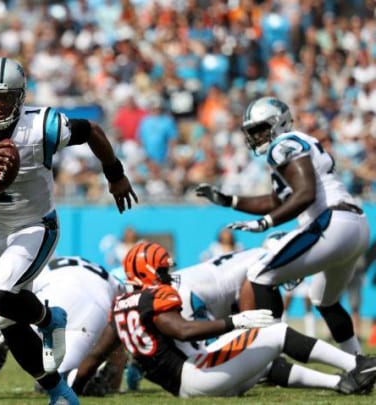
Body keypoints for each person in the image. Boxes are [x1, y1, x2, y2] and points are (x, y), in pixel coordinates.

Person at [0, 57, 137, 405]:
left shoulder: (43, 125)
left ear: (21, 97)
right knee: (6, 323)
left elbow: (94, 131)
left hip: (36, 225)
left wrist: (115, 174)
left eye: (6, 96)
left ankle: (49, 317)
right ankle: (60, 393)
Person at [72, 242, 376, 398]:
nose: (167, 275)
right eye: (162, 270)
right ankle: (357, 365)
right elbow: (184, 329)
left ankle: (342, 384)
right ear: (146, 272)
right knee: (276, 331)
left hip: (187, 381)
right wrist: (236, 321)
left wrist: (71, 392)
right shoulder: (153, 299)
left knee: (261, 356)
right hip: (197, 375)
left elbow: (96, 355)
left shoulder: (121, 307)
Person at [196, 96, 370, 355]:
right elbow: (277, 200)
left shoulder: (283, 144)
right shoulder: (301, 142)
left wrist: (266, 223)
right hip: (356, 224)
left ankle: (272, 356)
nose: (255, 136)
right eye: (251, 131)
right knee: (324, 300)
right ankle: (358, 363)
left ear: (278, 124)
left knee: (259, 274)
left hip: (332, 223)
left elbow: (306, 193)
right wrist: (229, 200)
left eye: (259, 129)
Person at [0, 255, 127, 396]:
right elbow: (120, 321)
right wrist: (118, 374)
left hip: (50, 305)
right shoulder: (109, 277)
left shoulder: (47, 266)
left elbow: (17, 295)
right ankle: (84, 374)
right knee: (57, 380)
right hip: (92, 310)